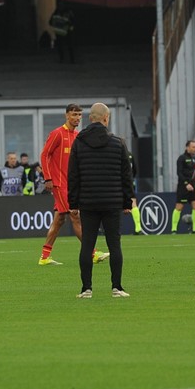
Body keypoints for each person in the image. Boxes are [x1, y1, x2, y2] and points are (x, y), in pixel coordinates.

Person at [67, 102, 134, 298]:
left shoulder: (79, 142)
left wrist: (73, 203)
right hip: (112, 202)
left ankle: (86, 289)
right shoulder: (118, 143)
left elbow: (73, 176)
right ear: (106, 118)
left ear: (90, 119)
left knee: (87, 245)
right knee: (114, 245)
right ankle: (117, 287)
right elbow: (126, 176)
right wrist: (127, 202)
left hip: (88, 202)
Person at [38, 103, 107, 265]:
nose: (77, 118)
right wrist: (48, 178)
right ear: (67, 115)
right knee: (75, 216)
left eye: (79, 115)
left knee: (59, 220)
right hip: (59, 184)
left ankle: (45, 257)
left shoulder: (77, 136)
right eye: (74, 114)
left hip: (72, 184)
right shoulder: (57, 134)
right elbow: (45, 155)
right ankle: (93, 253)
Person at [171, 139, 195, 234]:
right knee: (179, 207)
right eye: (193, 147)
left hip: (193, 186)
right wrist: (186, 184)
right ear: (187, 147)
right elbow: (179, 173)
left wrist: (193, 184)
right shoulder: (181, 158)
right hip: (183, 187)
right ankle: (174, 229)